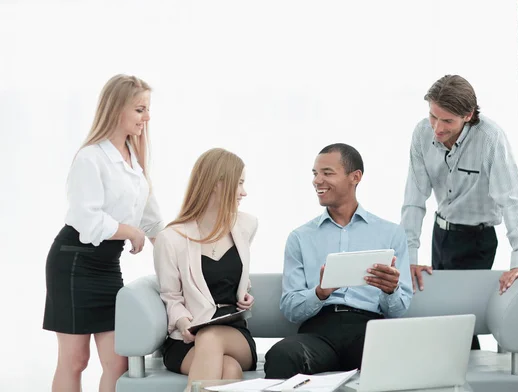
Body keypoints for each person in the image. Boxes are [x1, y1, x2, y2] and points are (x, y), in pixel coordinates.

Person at [43, 74, 164, 392]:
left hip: (107, 267)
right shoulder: (91, 157)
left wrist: (181, 256)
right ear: (116, 109)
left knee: (118, 362)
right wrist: (130, 232)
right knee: (75, 360)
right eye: (140, 109)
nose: (147, 117)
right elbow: (87, 220)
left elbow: (153, 222)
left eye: (147, 109)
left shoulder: (135, 162)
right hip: (73, 264)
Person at [401, 75, 518, 348]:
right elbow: (414, 199)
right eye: (433, 116)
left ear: (468, 115)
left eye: (447, 121)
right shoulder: (421, 134)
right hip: (441, 236)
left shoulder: (489, 139)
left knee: (462, 324)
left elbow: (512, 200)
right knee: (440, 317)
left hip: (477, 240)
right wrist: (409, 257)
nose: (437, 128)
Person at [264, 143, 412, 379]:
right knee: (282, 355)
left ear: (355, 177)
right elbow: (290, 309)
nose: (317, 180)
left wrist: (390, 290)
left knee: (394, 354)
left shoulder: (391, 234)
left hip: (368, 329)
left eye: (327, 173)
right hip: (319, 331)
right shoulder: (300, 237)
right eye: (315, 173)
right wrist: (320, 292)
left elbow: (399, 309)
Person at [153, 148, 258, 392]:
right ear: (217, 183)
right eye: (239, 183)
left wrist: (244, 293)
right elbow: (171, 296)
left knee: (211, 337)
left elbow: (233, 276)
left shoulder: (246, 225)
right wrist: (182, 323)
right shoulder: (171, 238)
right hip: (186, 337)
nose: (244, 192)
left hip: (233, 333)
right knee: (229, 369)